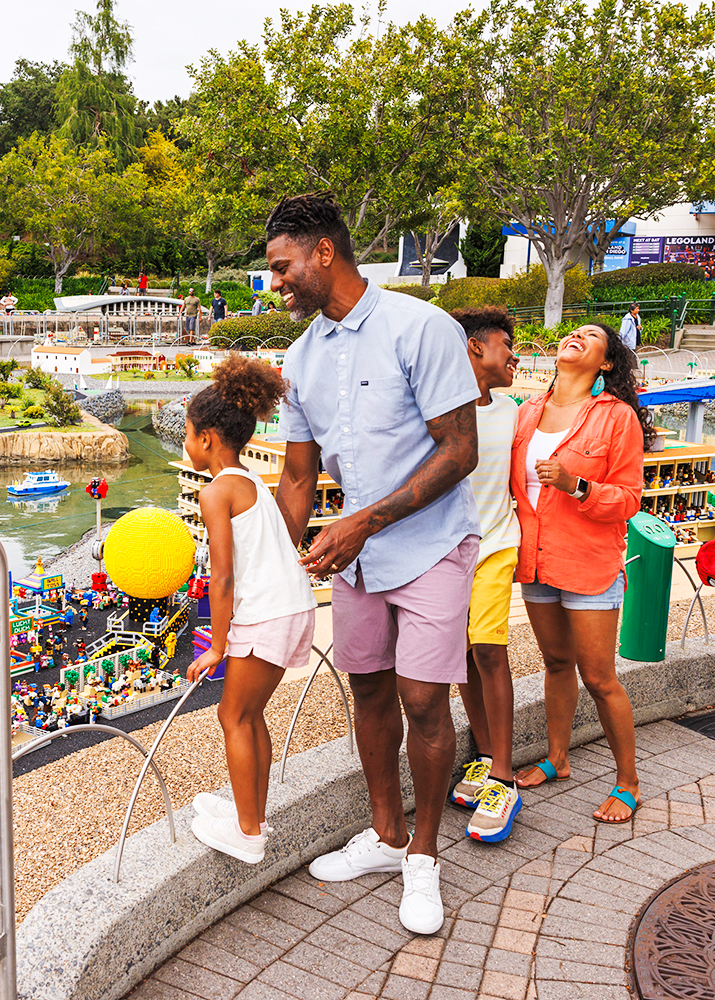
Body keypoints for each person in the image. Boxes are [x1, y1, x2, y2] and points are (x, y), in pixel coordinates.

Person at [272, 193, 481, 935]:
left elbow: (462, 451)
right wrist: (270, 561)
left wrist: (364, 521)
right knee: (367, 694)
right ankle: (387, 835)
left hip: (429, 546)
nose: (277, 283)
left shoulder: (420, 326)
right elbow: (298, 479)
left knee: (424, 700)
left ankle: (424, 855)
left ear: (324, 251)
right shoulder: (297, 360)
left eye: (283, 266)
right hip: (358, 562)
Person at [511, 322, 653, 825]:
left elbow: (629, 499)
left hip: (588, 562)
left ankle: (628, 782)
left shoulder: (617, 419)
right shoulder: (526, 412)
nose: (576, 336)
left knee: (599, 676)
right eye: (572, 331)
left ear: (607, 363)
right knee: (554, 661)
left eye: (592, 337)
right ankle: (558, 756)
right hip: (535, 560)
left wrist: (578, 486)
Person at [183, 357, 318, 864]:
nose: (187, 442)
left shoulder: (216, 491)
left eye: (190, 434)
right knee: (251, 713)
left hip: (265, 614)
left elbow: (222, 576)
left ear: (209, 439)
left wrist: (216, 645)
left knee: (232, 714)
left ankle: (248, 835)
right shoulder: (253, 480)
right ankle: (252, 813)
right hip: (290, 608)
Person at [447, 306, 523, 842]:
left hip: (497, 544)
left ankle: (503, 774)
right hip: (447, 553)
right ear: (475, 349)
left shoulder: (514, 411)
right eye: (505, 344)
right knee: (463, 658)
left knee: (490, 648)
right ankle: (483, 750)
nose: (514, 355)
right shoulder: (440, 407)